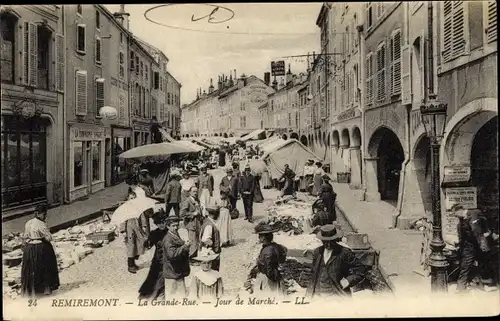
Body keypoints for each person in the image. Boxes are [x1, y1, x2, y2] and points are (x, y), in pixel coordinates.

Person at [306, 225, 366, 298]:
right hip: (318, 295)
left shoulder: (344, 253)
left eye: (331, 241)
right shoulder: (317, 252)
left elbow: (361, 269)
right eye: (325, 242)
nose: (328, 244)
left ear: (336, 239)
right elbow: (313, 274)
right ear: (321, 240)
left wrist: (348, 281)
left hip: (337, 295)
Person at [453, 205, 495, 293]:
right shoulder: (461, 222)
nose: (454, 215)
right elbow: (462, 235)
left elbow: (485, 221)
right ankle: (460, 287)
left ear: (460, 210)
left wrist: (488, 231)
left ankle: (485, 285)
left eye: (455, 213)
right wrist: (460, 245)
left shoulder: (475, 213)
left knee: (483, 264)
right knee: (465, 265)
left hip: (481, 244)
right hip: (469, 246)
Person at [21, 204, 60, 297]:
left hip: (29, 248)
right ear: (41, 214)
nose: (45, 216)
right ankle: (45, 288)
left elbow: (25, 236)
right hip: (40, 247)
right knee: (46, 266)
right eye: (44, 214)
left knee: (30, 269)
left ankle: (31, 290)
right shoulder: (42, 224)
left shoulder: (28, 222)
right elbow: (49, 237)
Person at [246, 223, 287, 295]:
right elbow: (283, 257)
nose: (259, 238)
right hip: (275, 276)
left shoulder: (267, 251)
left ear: (264, 237)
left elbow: (269, 271)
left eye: (260, 236)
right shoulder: (276, 246)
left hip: (268, 281)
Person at [138, 210, 168, 300]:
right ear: (156, 224)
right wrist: (146, 241)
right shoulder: (154, 233)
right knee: (153, 276)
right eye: (159, 223)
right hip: (157, 258)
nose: (161, 225)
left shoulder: (169, 232)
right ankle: (150, 295)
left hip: (167, 258)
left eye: (163, 222)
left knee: (163, 277)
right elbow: (148, 245)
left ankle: (161, 293)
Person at [120, 201, 152, 274]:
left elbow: (142, 216)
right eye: (131, 198)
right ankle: (130, 265)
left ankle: (134, 262)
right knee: (131, 247)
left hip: (137, 229)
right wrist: (123, 231)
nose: (132, 200)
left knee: (139, 245)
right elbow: (123, 220)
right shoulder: (125, 209)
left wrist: (144, 225)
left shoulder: (137, 207)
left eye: (133, 198)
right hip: (129, 229)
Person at [163, 216, 191, 298]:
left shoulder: (175, 235)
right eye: (173, 226)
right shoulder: (168, 239)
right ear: (168, 226)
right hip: (172, 272)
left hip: (177, 271)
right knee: (173, 296)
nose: (176, 228)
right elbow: (172, 254)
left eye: (177, 225)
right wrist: (185, 246)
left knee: (180, 295)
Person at [180, 186, 203, 258]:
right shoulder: (187, 201)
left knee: (197, 240)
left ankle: (195, 256)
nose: (195, 193)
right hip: (191, 224)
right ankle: (191, 258)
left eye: (196, 191)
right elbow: (182, 214)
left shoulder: (197, 200)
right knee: (192, 241)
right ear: (190, 192)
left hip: (198, 223)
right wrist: (192, 214)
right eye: (194, 191)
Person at [199, 206, 221, 271]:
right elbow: (205, 240)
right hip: (211, 254)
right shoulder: (209, 225)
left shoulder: (208, 221)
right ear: (215, 214)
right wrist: (212, 251)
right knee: (213, 273)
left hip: (210, 252)